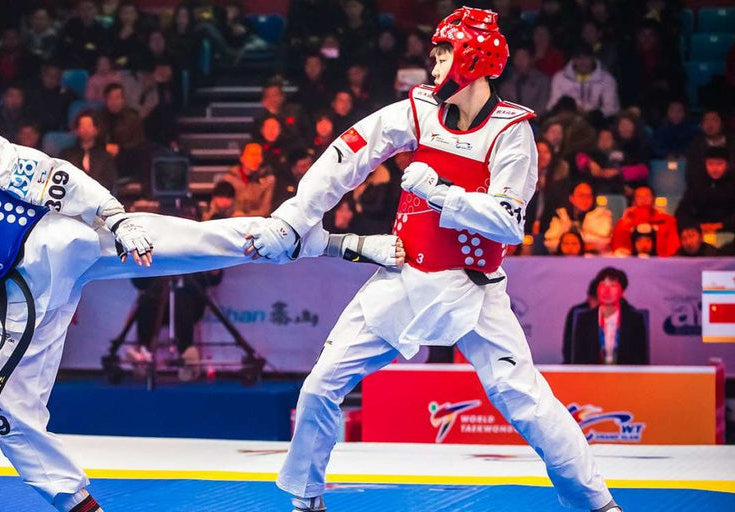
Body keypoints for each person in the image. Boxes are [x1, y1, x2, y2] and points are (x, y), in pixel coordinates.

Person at [0, 59, 403, 512]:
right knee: (11, 419)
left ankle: (349, 244)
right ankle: (80, 503)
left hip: (55, 244)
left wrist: (114, 217)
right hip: (22, 290)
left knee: (202, 240)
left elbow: (43, 172)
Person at [243, 8, 621, 512]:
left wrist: (444, 193)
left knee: (527, 403)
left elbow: (510, 223)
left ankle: (598, 505)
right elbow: (347, 153)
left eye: (444, 53)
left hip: (475, 290)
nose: (434, 63)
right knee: (319, 386)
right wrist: (296, 213)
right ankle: (306, 498)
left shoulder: (512, 132)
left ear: (474, 58)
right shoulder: (417, 110)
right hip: (401, 277)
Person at [564, 267, 648, 365]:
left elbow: (640, 360)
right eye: (603, 286)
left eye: (612, 286)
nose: (607, 291)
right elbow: (577, 359)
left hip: (625, 377)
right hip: (591, 377)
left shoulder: (634, 320)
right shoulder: (585, 319)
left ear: (622, 292)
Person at [543, 181, 613, 255]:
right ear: (572, 198)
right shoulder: (561, 216)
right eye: (581, 196)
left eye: (589, 196)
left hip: (594, 258)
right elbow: (549, 243)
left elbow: (606, 243)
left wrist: (576, 246)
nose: (586, 199)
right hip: (564, 258)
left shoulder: (602, 215)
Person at [610, 186, 678, 257]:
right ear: (633, 202)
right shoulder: (624, 223)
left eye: (647, 196)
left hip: (661, 263)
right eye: (639, 197)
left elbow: (673, 248)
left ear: (654, 199)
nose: (644, 199)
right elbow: (619, 249)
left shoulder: (667, 221)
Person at [60, 110, 117, 190]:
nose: (86, 130)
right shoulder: (67, 154)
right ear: (77, 130)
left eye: (89, 126)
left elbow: (109, 182)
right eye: (82, 126)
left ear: (96, 130)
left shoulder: (105, 156)